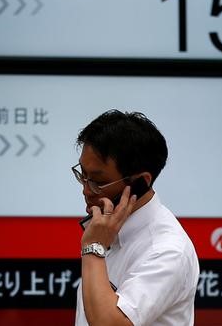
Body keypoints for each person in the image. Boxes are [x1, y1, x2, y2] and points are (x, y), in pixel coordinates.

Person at [71, 110, 199, 325]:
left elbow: (109, 323)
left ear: (140, 182)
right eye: (82, 175)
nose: (86, 190)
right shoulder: (108, 227)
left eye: (98, 182)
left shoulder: (167, 250)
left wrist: (93, 247)